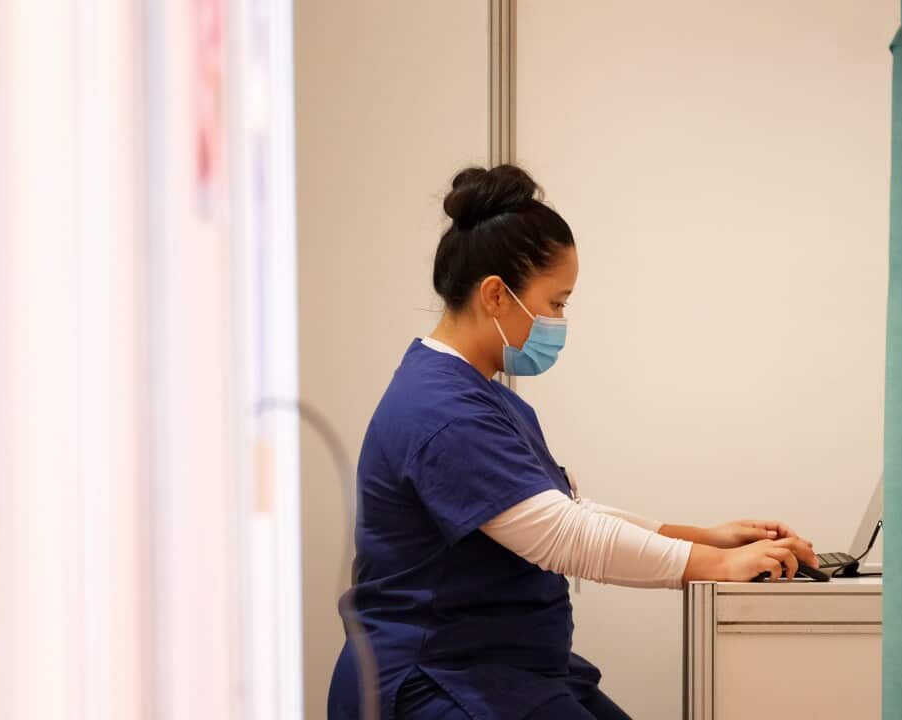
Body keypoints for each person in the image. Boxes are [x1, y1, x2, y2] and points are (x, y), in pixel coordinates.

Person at [327, 164, 818, 719]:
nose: (560, 321)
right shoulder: (441, 410)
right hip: (436, 677)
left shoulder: (482, 396)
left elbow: (560, 512)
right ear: (496, 295)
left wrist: (707, 538)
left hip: (495, 665)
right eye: (556, 303)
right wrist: (713, 565)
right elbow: (563, 536)